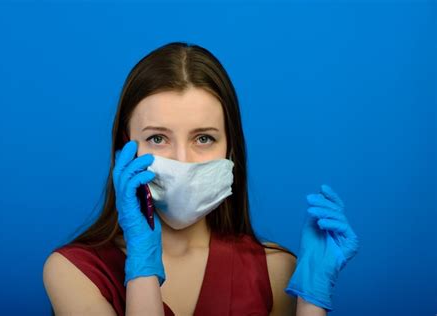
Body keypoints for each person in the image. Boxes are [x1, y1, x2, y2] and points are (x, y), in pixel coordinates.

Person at [43, 42, 359, 315]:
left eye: (204, 139)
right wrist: (141, 264)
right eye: (157, 139)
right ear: (122, 152)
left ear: (230, 151)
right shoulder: (73, 272)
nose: (182, 160)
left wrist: (311, 304)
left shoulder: (275, 271)